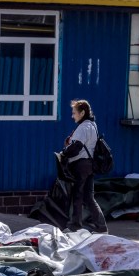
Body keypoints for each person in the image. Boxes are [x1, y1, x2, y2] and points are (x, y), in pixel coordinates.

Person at [60, 99, 107, 233]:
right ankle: (101, 227)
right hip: (89, 165)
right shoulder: (92, 125)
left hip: (81, 165)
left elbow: (77, 146)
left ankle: (75, 225)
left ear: (82, 113)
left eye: (74, 113)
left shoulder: (84, 127)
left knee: (78, 195)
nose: (72, 115)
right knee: (88, 197)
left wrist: (64, 153)